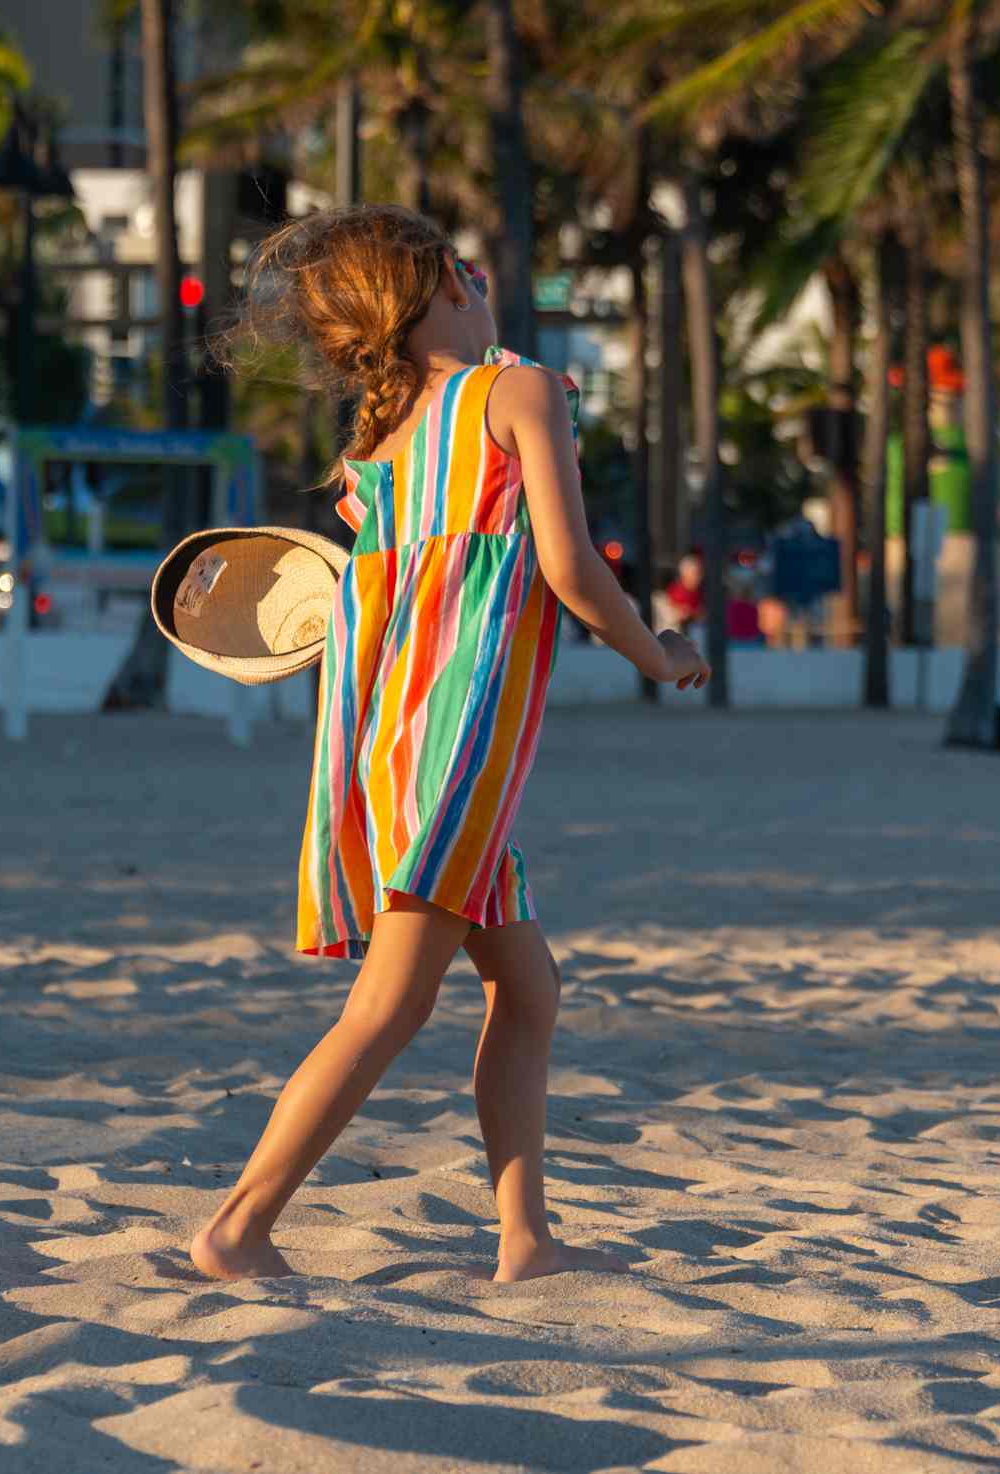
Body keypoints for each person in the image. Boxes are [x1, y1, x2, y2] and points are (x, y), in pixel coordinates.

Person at [187, 205, 709, 1286]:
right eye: (462, 267)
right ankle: (239, 1225)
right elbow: (568, 568)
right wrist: (657, 655)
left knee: (529, 993)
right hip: (459, 753)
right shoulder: (516, 392)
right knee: (393, 1003)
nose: (481, 278)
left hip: (388, 752)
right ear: (438, 293)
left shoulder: (376, 447)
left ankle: (526, 1240)